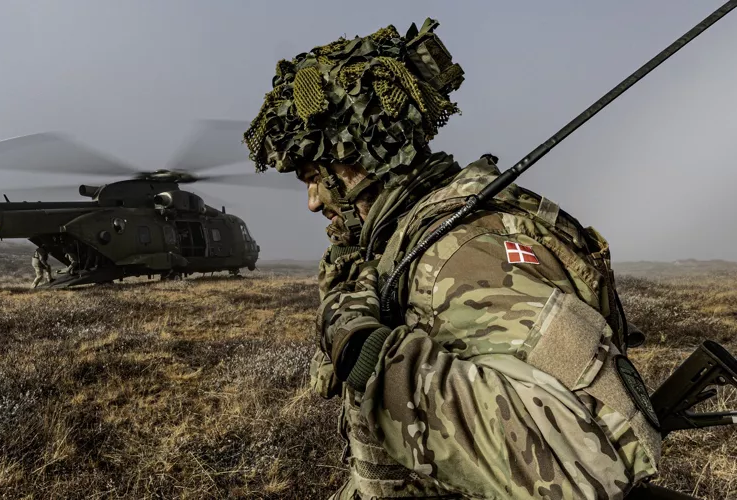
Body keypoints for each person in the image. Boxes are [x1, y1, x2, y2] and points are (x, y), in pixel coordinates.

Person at [242, 19, 662, 499]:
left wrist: (367, 355)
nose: (314, 201)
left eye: (312, 176)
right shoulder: (413, 240)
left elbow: (579, 469)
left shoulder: (458, 257)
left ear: (355, 158)